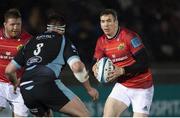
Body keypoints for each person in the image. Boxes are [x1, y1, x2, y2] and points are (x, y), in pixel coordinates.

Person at [5, 11, 99, 117]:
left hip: (26, 90)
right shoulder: (62, 40)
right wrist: (89, 89)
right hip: (47, 83)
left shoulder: (30, 41)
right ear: (63, 29)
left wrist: (15, 82)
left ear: (47, 28)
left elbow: (9, 70)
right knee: (84, 115)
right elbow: (77, 67)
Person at [92, 9, 154, 117]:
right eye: (103, 21)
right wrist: (94, 69)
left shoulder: (129, 36)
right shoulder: (101, 41)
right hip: (122, 86)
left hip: (142, 88)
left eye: (109, 21)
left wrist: (122, 70)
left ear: (116, 22)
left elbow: (145, 63)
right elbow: (95, 63)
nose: (106, 25)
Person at [0, 8, 32, 117]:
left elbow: (33, 64)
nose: (16, 28)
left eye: (18, 24)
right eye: (12, 24)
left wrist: (23, 78)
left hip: (19, 86)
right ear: (5, 24)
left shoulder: (28, 40)